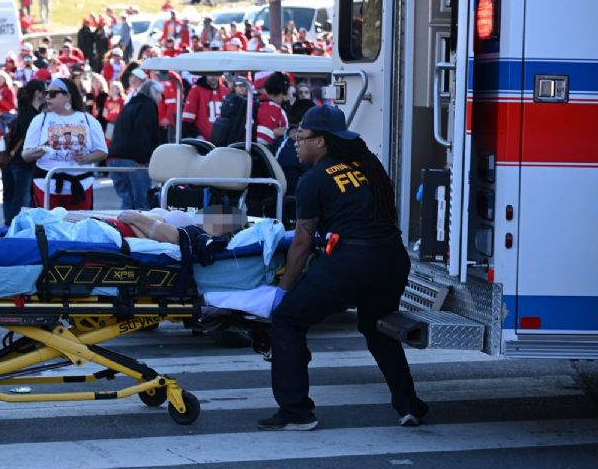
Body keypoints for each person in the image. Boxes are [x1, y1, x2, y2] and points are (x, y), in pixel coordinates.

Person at [261, 106, 429, 431]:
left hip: (352, 260)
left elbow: (301, 244)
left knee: (287, 321)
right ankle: (409, 406)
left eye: (301, 137)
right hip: (393, 259)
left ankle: (296, 412)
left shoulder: (314, 179)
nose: (296, 142)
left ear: (321, 142)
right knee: (377, 327)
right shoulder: (369, 167)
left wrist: (283, 292)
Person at [22, 77, 107, 210]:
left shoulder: (88, 120)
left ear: (68, 96)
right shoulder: (39, 120)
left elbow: (102, 151)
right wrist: (34, 153)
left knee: (78, 227)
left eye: (53, 94)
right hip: (46, 185)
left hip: (81, 185)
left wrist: (87, 158)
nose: (48, 97)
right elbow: (25, 155)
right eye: (46, 93)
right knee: (50, 228)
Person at [108, 79, 162, 210]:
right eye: (160, 94)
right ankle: (138, 231)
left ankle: (122, 230)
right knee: (141, 203)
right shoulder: (147, 106)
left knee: (128, 201)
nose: (161, 98)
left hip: (114, 157)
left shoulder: (129, 105)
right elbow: (143, 133)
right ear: (154, 93)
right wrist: (142, 159)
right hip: (133, 159)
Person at [0, 79, 44, 225]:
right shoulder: (30, 114)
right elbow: (30, 139)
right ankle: (12, 228)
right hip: (21, 163)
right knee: (21, 199)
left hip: (13, 161)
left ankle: (9, 226)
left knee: (12, 196)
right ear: (38, 93)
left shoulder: (26, 111)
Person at [181, 73, 228, 139]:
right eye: (210, 73)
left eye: (217, 73)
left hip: (222, 141)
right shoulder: (196, 90)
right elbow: (187, 120)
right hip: (203, 142)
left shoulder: (225, 90)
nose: (213, 76)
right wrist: (197, 135)